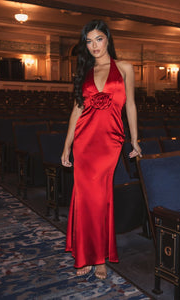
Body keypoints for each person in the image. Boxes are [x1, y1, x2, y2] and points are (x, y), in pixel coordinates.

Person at [61, 19, 142, 280]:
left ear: (108, 39)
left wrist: (135, 140)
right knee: (85, 198)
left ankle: (98, 255)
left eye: (98, 39)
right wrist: (67, 145)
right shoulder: (84, 72)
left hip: (110, 141)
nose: (94, 45)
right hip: (84, 142)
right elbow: (77, 110)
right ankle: (90, 257)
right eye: (89, 41)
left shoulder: (126, 68)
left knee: (101, 198)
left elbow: (130, 106)